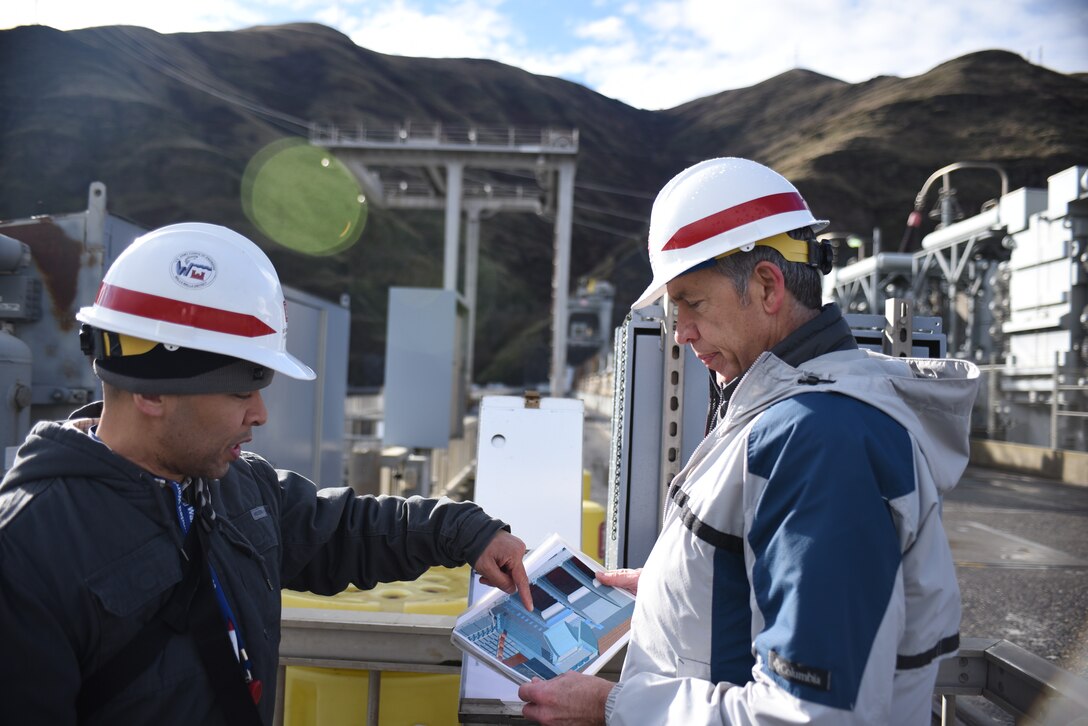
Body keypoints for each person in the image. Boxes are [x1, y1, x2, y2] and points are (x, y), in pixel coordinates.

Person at [0, 222, 533, 726]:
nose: (260, 413)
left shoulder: (235, 487)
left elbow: (344, 529)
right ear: (151, 390)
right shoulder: (27, 550)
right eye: (240, 390)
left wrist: (467, 532)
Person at [519, 157, 979, 724]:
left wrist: (613, 706)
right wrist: (682, 582)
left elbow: (812, 715)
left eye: (692, 301)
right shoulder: (786, 411)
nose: (681, 331)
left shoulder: (819, 440)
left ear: (767, 286)